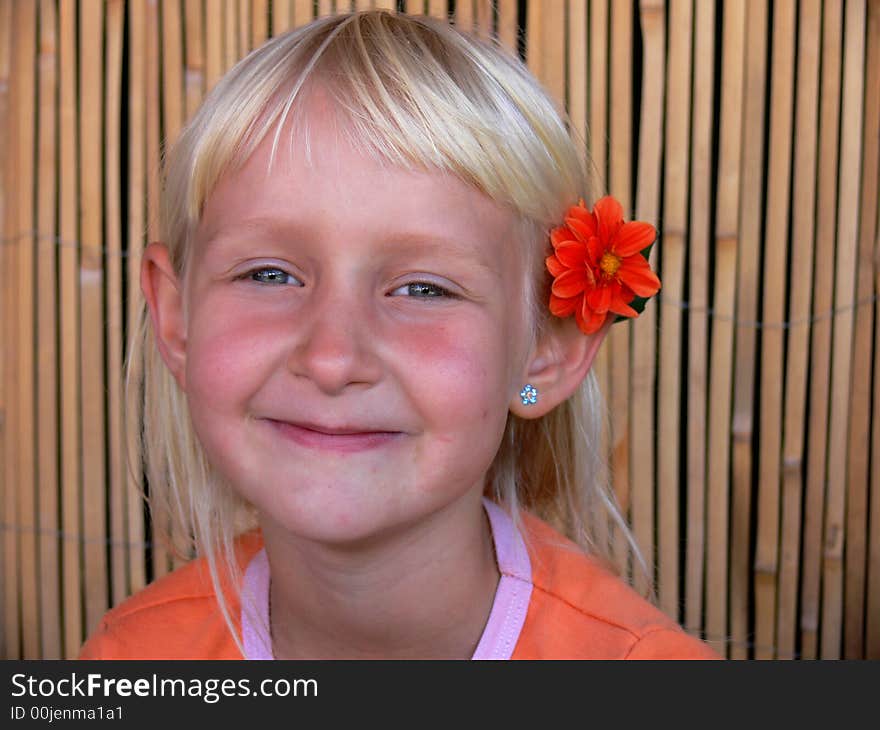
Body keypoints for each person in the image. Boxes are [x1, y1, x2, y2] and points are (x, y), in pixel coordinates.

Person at [80, 10, 717, 660]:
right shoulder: (130, 657)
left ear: (548, 350)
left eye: (424, 289)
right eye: (269, 274)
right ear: (178, 319)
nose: (332, 359)